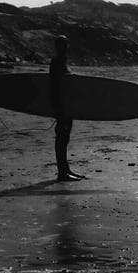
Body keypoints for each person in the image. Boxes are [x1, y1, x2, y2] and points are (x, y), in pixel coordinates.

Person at [50, 36, 85, 182]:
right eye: (62, 45)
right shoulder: (57, 62)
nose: (65, 48)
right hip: (62, 107)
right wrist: (59, 108)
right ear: (58, 47)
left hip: (67, 107)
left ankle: (66, 170)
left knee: (65, 139)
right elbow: (56, 86)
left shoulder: (62, 61)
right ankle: (62, 173)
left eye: (66, 45)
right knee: (61, 139)